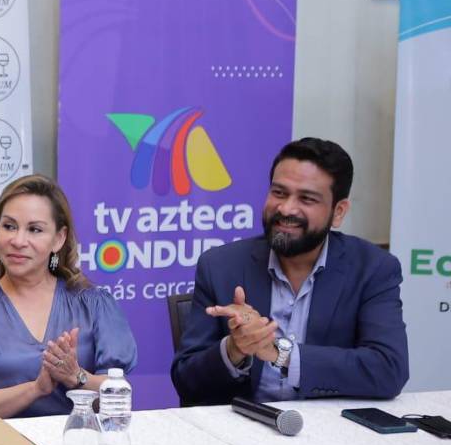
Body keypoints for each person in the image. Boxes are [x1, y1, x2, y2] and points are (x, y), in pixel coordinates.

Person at [171, 138, 408, 405]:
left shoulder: (373, 269)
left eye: (306, 198)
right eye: (279, 193)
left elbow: (389, 370)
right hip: (241, 430)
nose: (285, 209)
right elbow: (186, 381)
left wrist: (281, 354)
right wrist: (235, 348)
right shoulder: (221, 266)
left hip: (329, 433)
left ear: (338, 212)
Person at [0, 174, 137, 418]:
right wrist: (35, 388)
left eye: (35, 230)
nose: (18, 241)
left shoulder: (94, 305)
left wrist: (77, 377)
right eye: (9, 226)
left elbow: (118, 398)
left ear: (58, 239)